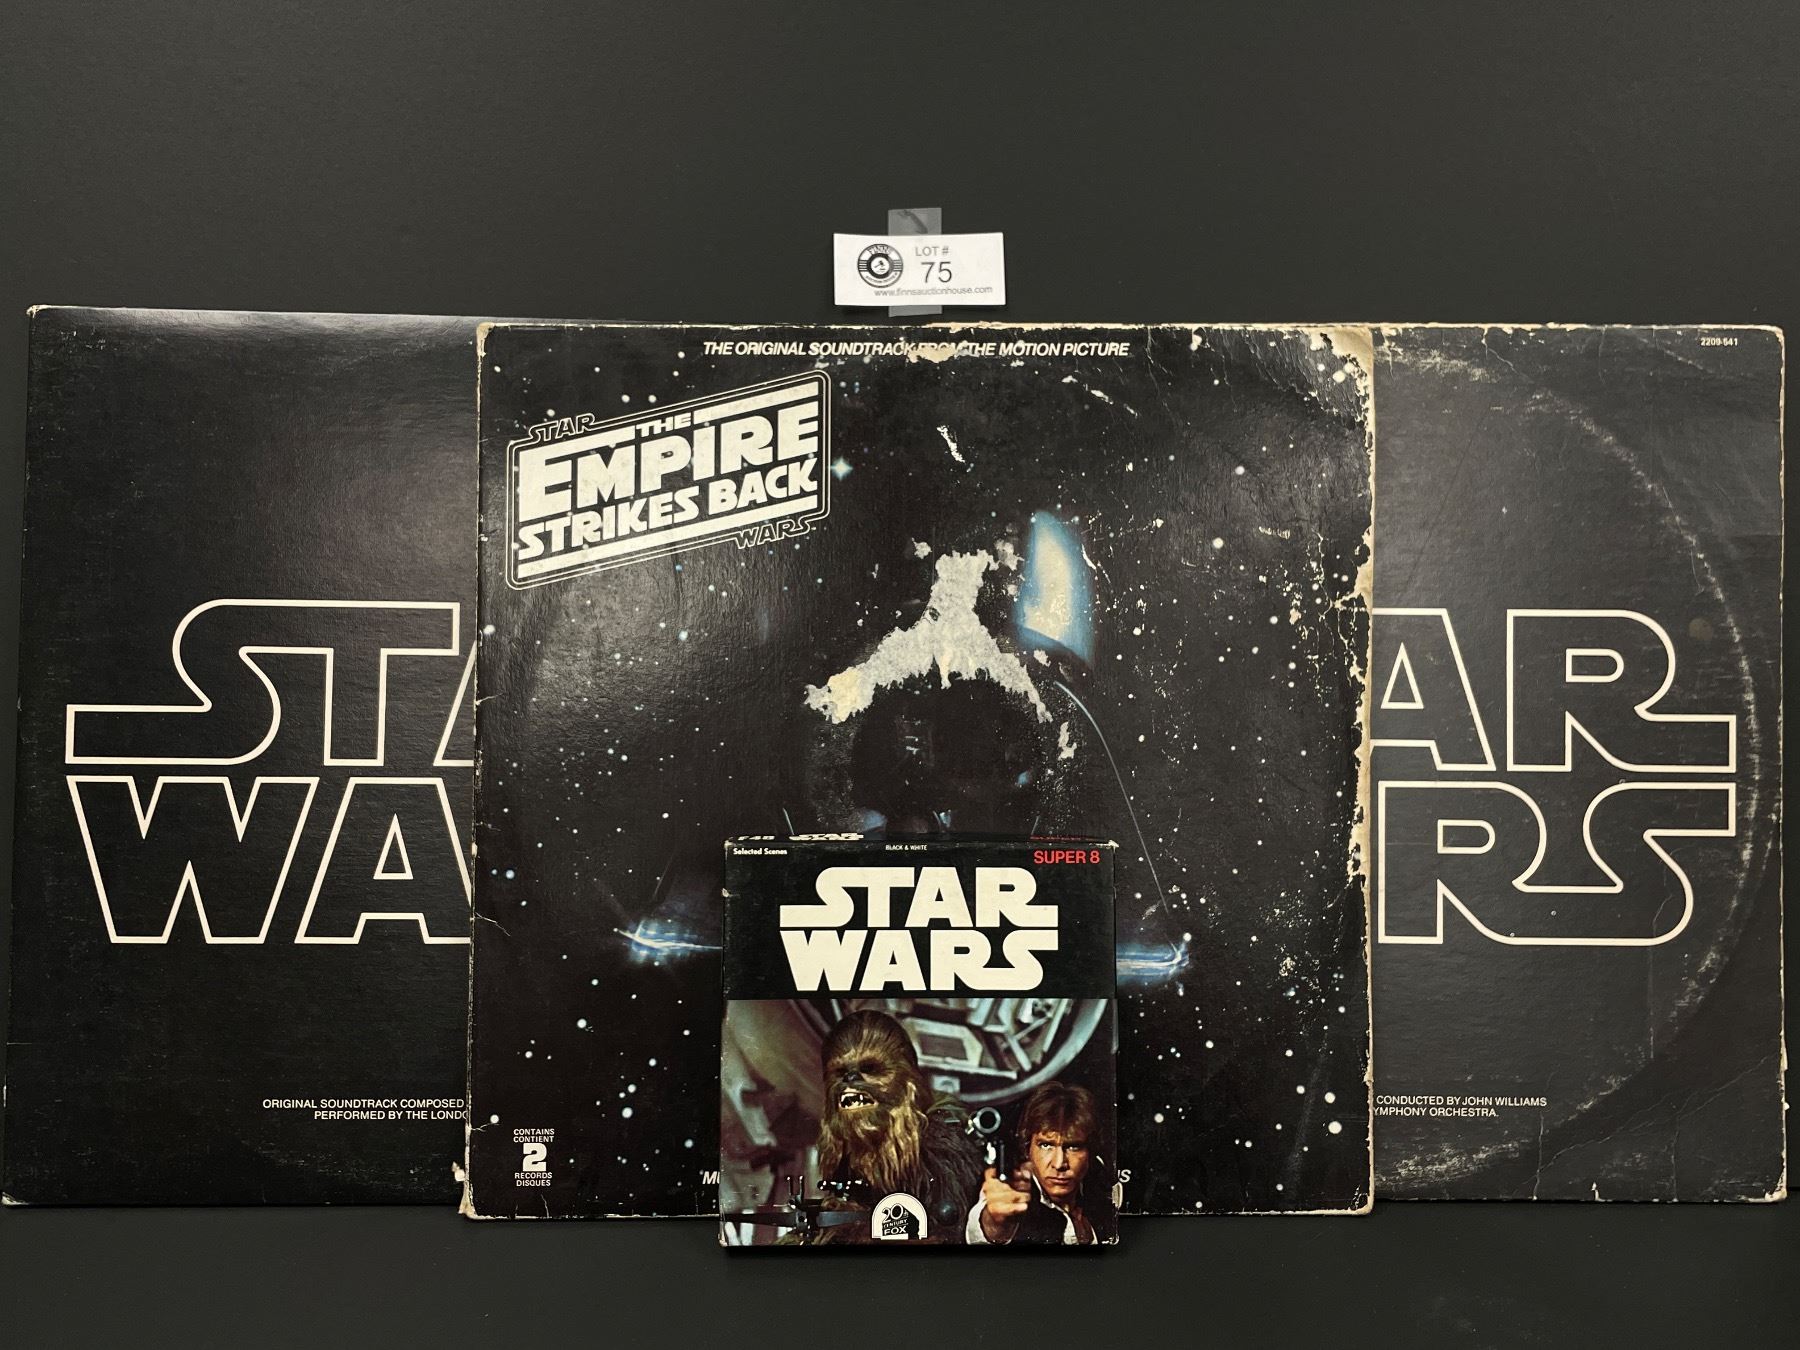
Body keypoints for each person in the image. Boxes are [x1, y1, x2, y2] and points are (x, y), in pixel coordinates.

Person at [965, 1080, 1115, 1245]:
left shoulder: (1100, 1182)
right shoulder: (1015, 1186)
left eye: (1073, 1147)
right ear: (1027, 1148)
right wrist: (995, 1220)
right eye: (1046, 1145)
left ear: (1090, 1152)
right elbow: (985, 1229)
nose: (1059, 1164)